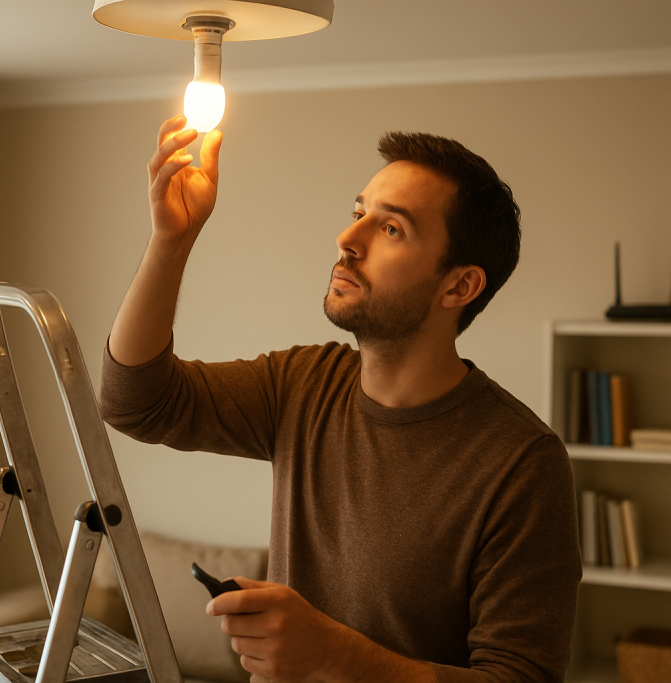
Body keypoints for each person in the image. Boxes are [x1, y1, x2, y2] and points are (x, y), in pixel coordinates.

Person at [100, 116, 581, 683]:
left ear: (460, 286)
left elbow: (519, 679)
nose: (347, 240)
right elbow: (135, 401)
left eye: (392, 229)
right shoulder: (304, 383)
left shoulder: (522, 463)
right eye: (359, 214)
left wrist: (335, 655)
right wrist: (171, 241)